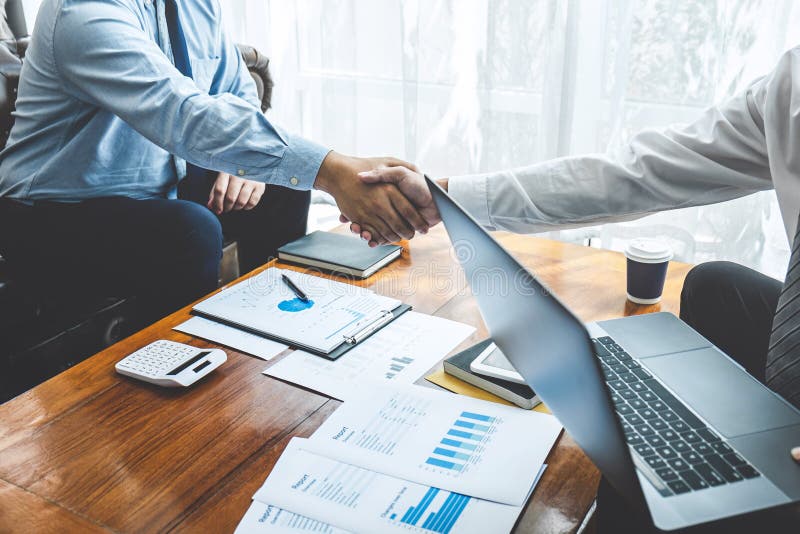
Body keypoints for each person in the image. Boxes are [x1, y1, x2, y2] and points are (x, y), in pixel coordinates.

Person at [346, 46, 800, 532]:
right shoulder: (790, 84)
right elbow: (637, 173)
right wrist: (444, 198)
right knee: (717, 285)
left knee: (632, 504)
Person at [0, 0, 436, 321]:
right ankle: (179, 373)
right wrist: (334, 171)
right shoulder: (83, 12)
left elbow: (235, 89)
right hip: (47, 212)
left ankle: (277, 323)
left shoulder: (195, 5)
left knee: (280, 183)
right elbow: (179, 113)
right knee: (189, 230)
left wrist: (234, 163)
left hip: (157, 185)